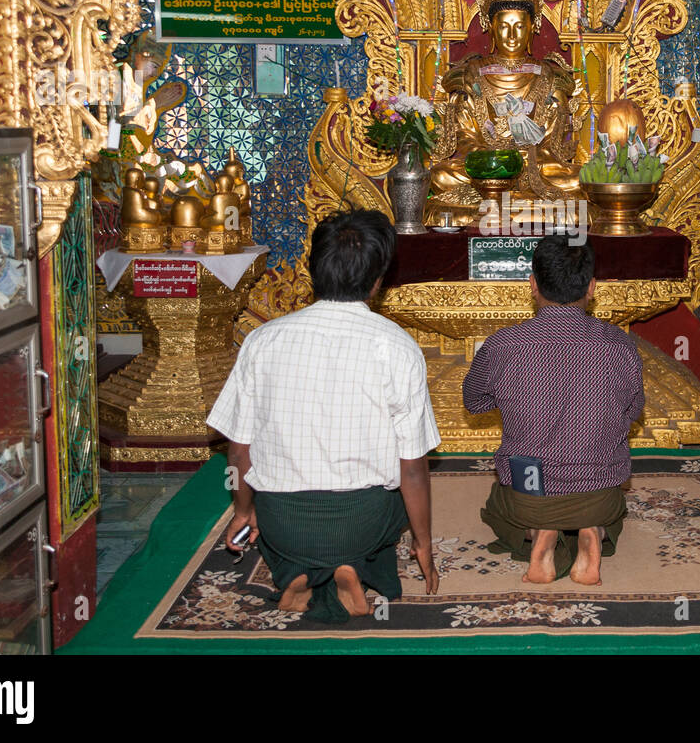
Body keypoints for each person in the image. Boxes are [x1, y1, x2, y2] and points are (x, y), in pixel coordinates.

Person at [209, 209, 440, 622]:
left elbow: (239, 452)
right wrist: (423, 542)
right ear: (378, 279)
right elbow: (414, 471)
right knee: (393, 512)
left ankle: (297, 575)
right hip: (363, 518)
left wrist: (245, 513)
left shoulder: (262, 341)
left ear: (312, 268)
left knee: (285, 542)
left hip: (284, 519)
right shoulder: (399, 347)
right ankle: (352, 570)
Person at [463, 235, 644, 585]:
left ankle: (538, 531)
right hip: (599, 494)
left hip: (529, 496)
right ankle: (593, 533)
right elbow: (633, 410)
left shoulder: (503, 345)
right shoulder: (620, 345)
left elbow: (474, 401)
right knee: (615, 512)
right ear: (592, 288)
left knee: (497, 507)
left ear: (532, 285)